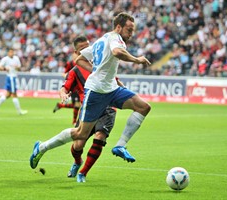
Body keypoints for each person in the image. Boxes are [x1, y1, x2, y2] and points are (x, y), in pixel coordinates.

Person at [30, 12, 151, 182]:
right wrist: (137, 60)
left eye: (133, 30)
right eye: (129, 29)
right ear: (118, 27)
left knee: (143, 107)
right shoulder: (115, 39)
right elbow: (117, 52)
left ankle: (120, 146)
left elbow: (79, 59)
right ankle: (41, 148)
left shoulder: (101, 40)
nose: (131, 33)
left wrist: (96, 69)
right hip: (96, 92)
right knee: (80, 134)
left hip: (112, 89)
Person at [30, 35, 121, 182]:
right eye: (82, 49)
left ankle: (83, 173)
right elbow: (64, 87)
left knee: (100, 136)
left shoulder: (101, 63)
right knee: (78, 145)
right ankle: (77, 162)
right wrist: (63, 94)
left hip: (107, 108)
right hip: (89, 108)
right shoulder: (75, 70)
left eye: (88, 47)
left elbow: (115, 81)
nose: (86, 50)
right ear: (77, 52)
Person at [0, 48, 27, 115]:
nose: (11, 53)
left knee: (8, 95)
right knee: (14, 94)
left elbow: (19, 67)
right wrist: (5, 68)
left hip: (14, 77)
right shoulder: (5, 59)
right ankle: (19, 111)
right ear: (8, 53)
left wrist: (17, 67)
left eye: (12, 52)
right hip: (10, 77)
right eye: (10, 52)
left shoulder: (16, 58)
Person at [52, 47, 81, 125]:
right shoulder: (70, 63)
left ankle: (61, 105)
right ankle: (74, 121)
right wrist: (69, 77)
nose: (74, 56)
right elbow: (64, 73)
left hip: (80, 86)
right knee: (77, 104)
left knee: (78, 104)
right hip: (74, 87)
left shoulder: (81, 62)